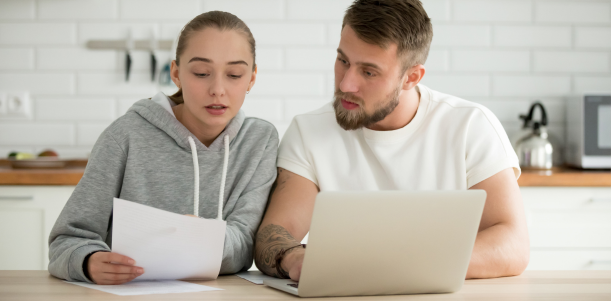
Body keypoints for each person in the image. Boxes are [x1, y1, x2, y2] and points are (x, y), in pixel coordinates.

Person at [254, 0, 529, 281]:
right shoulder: (309, 132)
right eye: (343, 61)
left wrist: (395, 267)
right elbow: (275, 232)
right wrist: (293, 257)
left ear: (412, 77)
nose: (346, 84)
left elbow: (512, 245)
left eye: (369, 72)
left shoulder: (470, 125)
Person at [48, 11, 278, 285]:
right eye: (202, 73)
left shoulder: (260, 140)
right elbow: (66, 241)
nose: (218, 89)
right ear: (176, 73)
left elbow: (245, 245)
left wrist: (200, 237)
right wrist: (88, 262)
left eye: (234, 74)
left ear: (251, 79)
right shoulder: (125, 136)